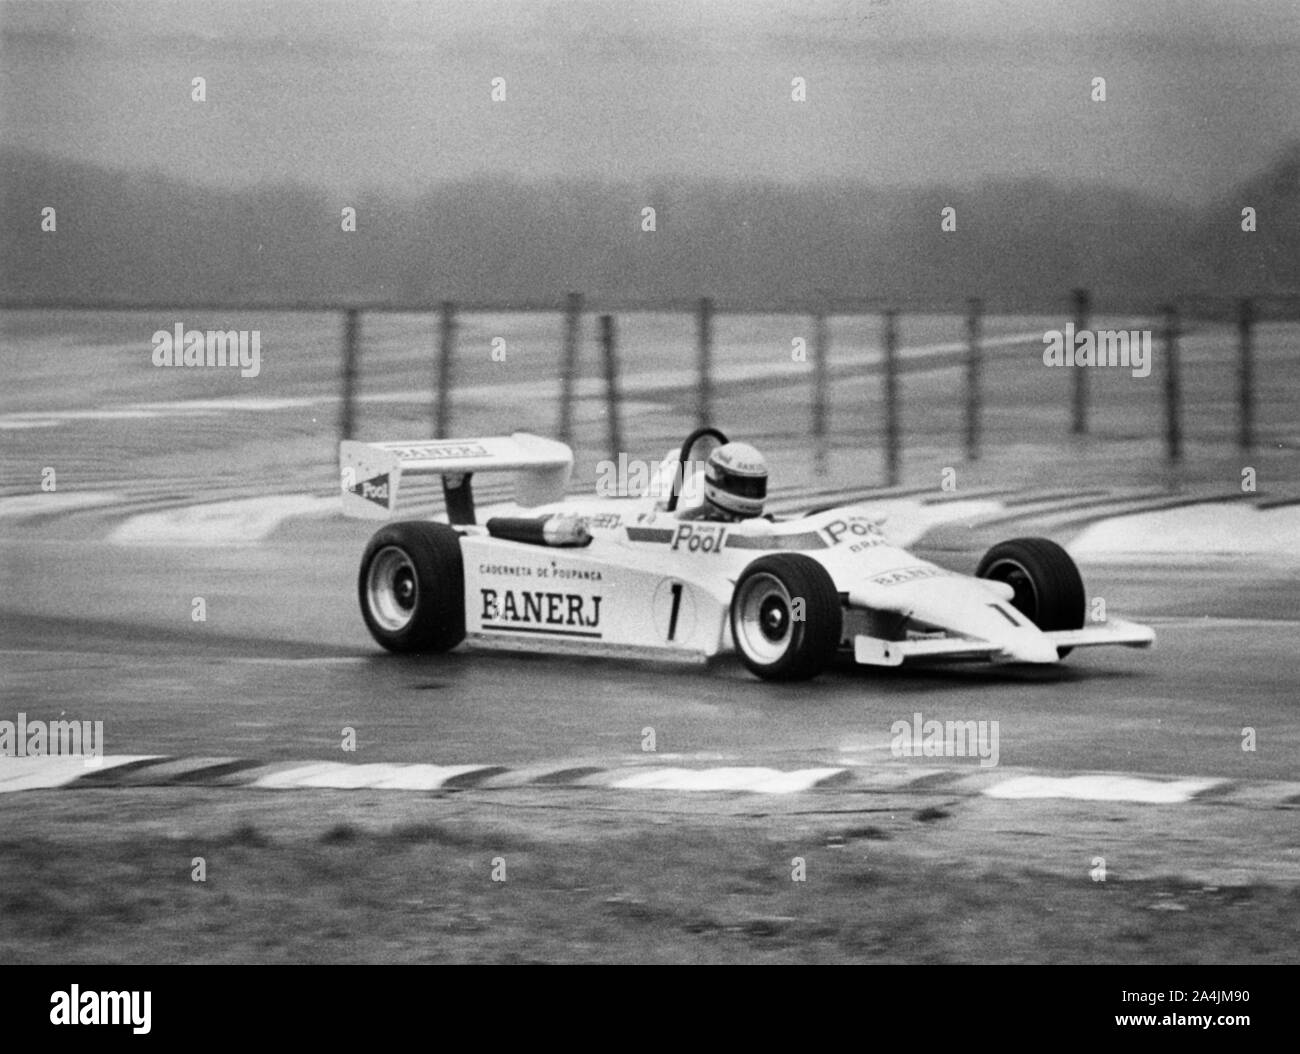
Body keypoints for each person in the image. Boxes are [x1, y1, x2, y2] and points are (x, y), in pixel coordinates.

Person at [677, 441, 768, 521]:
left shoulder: (764, 524)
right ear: (720, 479)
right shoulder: (694, 515)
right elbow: (677, 520)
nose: (750, 491)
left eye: (755, 486)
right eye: (742, 486)